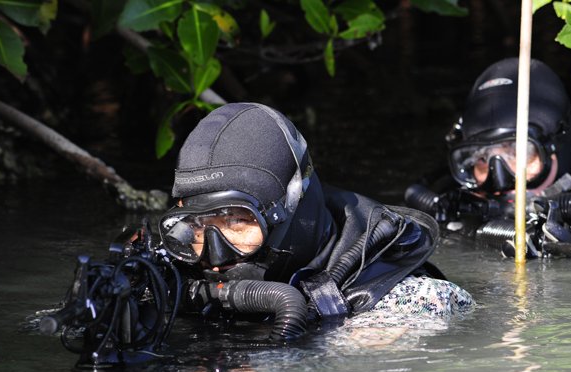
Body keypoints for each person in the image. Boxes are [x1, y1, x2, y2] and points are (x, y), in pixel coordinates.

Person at [158, 102, 473, 336]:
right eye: (197, 225)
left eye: (237, 221)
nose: (215, 257)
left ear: (292, 207)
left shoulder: (414, 302)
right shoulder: (180, 275)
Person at [404, 57, 571, 259]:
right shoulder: (462, 192)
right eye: (482, 158)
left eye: (518, 153)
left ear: (553, 145)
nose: (500, 176)